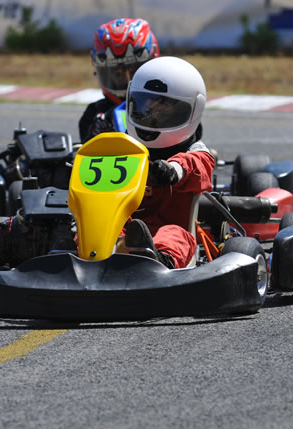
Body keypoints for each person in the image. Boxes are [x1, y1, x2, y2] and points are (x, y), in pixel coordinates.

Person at [122, 56, 216, 269]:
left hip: (172, 235)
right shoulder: (123, 146)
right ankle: (69, 254)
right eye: (147, 104)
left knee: (173, 235)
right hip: (123, 231)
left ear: (192, 110)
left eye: (163, 105)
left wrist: (173, 170)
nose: (153, 112)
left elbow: (195, 166)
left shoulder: (196, 153)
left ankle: (158, 261)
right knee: (94, 226)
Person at [78, 18, 160, 143]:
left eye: (131, 70)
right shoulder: (94, 115)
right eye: (116, 72)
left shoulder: (166, 106)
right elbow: (83, 155)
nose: (124, 78)